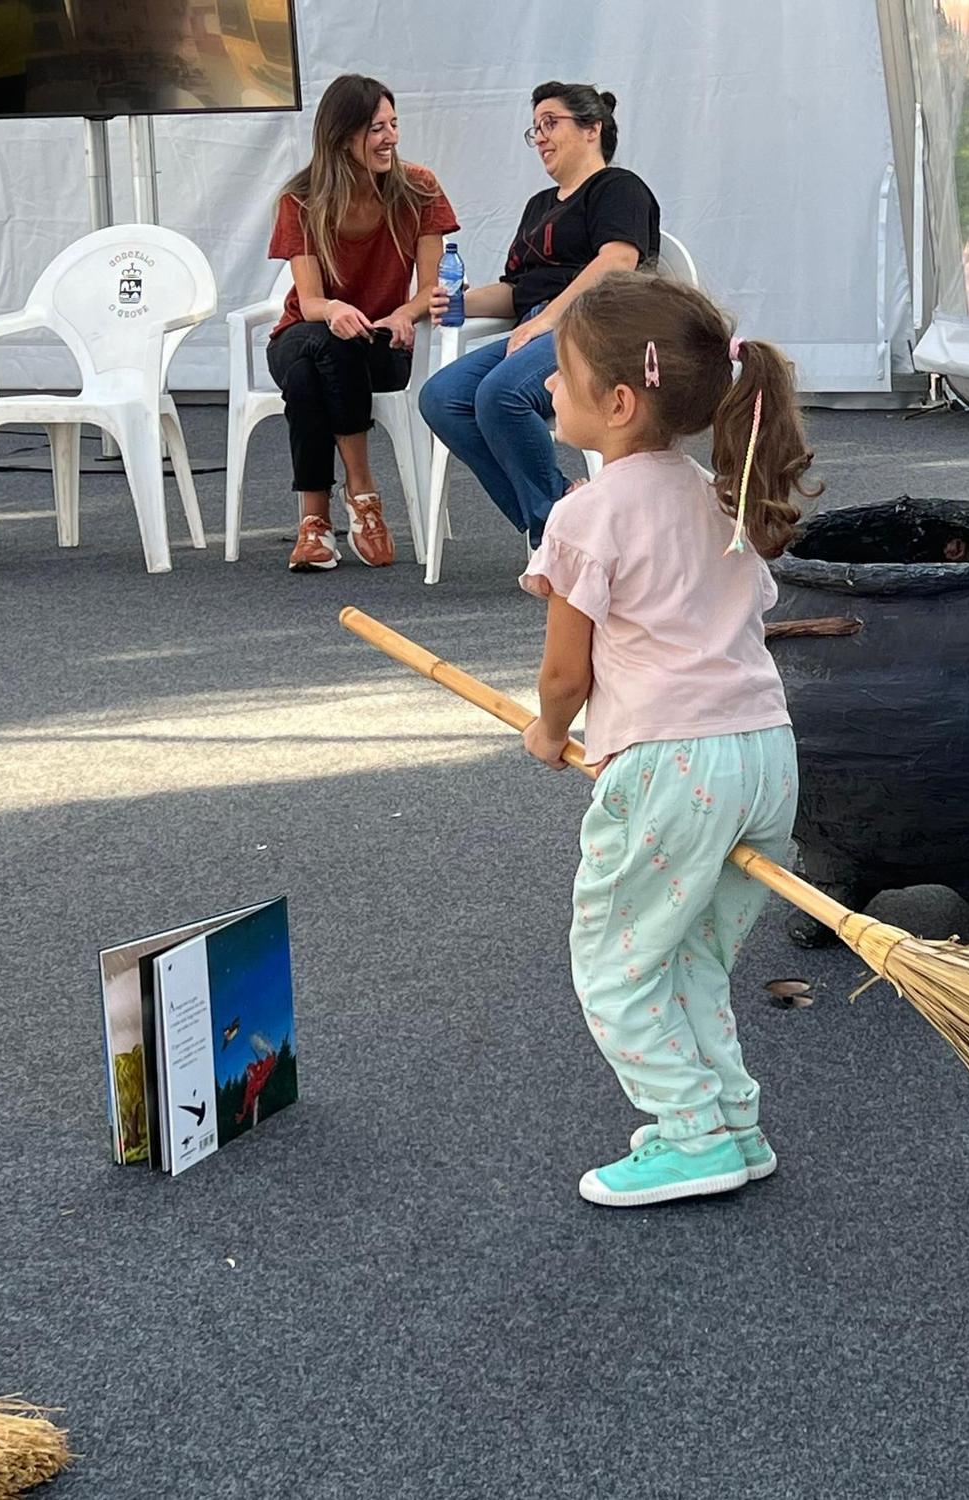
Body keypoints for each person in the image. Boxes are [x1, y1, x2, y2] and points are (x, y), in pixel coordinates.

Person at [517, 273, 822, 1207]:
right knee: (690, 952)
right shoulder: (717, 496)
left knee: (615, 958)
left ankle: (689, 1134)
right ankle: (731, 1120)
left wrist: (548, 730)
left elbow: (568, 672)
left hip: (670, 767)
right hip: (765, 755)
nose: (547, 391)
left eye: (559, 375)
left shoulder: (587, 514)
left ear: (617, 401)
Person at [418, 82, 661, 553]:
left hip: (597, 327)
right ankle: (555, 518)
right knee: (442, 396)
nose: (541, 138)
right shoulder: (539, 206)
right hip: (539, 327)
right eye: (535, 129)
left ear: (592, 129)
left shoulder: (618, 188)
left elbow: (616, 262)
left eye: (551, 123)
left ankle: (554, 531)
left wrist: (546, 320)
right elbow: (515, 293)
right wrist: (460, 303)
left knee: (500, 394)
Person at [267, 74, 458, 570]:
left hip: (383, 346)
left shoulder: (419, 188)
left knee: (313, 375)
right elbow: (309, 302)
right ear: (342, 136)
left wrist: (405, 313)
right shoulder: (301, 199)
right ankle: (363, 494)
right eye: (377, 128)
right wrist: (334, 309)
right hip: (304, 334)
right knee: (323, 349)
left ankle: (315, 523)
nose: (391, 137)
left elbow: (433, 290)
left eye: (394, 125)